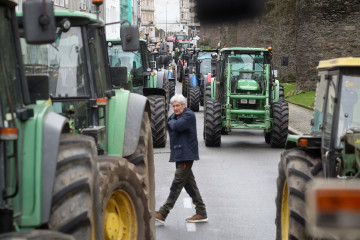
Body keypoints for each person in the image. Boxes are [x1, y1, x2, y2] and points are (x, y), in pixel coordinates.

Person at [155, 94, 208, 224]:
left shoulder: (188, 115)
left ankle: (163, 212)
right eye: (173, 106)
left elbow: (176, 126)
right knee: (189, 185)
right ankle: (201, 212)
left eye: (178, 105)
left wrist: (172, 122)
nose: (175, 108)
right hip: (179, 154)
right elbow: (171, 124)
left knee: (177, 184)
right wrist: (172, 122)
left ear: (184, 105)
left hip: (185, 155)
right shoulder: (177, 117)